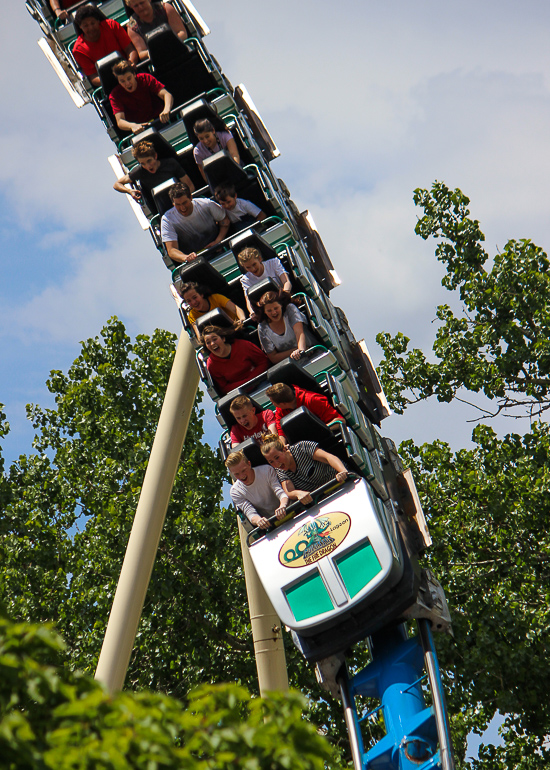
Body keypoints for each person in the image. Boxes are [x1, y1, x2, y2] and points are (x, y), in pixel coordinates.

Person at [160, 183, 230, 263]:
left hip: (218, 250)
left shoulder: (206, 204)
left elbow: (225, 221)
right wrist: (186, 257)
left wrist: (218, 240)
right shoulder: (167, 219)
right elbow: (172, 250)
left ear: (190, 198)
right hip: (196, 262)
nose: (182, 208)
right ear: (173, 203)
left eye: (184, 203)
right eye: (178, 205)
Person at [113, 140, 194, 207]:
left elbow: (190, 186)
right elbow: (117, 184)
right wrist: (129, 191)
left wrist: (183, 203)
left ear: (155, 156)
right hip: (165, 208)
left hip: (182, 202)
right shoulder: (139, 171)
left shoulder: (170, 163)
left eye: (149, 161)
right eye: (143, 163)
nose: (148, 166)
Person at [260, 434, 348, 496]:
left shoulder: (302, 448)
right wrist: (298, 494)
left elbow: (329, 457)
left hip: (341, 483)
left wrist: (342, 471)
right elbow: (289, 491)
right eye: (271, 462)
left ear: (283, 450)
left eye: (277, 457)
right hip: (323, 497)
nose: (276, 464)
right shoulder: (280, 470)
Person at [72, 6, 138, 87]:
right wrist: (116, 80)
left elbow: (130, 50)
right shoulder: (79, 50)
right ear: (80, 27)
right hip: (111, 86)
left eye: (93, 23)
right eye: (86, 26)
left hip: (130, 74)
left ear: (98, 21)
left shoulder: (111, 26)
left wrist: (131, 63)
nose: (91, 28)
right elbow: (94, 78)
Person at [226, 451, 289, 530]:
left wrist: (282, 506)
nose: (242, 476)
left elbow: (280, 491)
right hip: (271, 525)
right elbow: (249, 512)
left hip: (289, 510)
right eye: (237, 474)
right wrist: (259, 520)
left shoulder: (266, 470)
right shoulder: (235, 491)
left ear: (249, 464)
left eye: (243, 470)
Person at [108, 60, 173, 134]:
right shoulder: (115, 95)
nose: (127, 83)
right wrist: (132, 126)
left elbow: (166, 95)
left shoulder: (145, 78)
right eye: (122, 81)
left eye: (129, 78)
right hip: (139, 129)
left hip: (158, 121)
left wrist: (166, 109)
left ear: (134, 75)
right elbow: (120, 121)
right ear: (119, 82)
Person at [202, 325, 269, 395]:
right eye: (208, 342)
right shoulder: (212, 365)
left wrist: (252, 380)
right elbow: (224, 388)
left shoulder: (243, 345)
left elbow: (263, 361)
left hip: (260, 382)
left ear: (223, 339)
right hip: (240, 393)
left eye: (215, 339)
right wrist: (245, 385)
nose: (212, 343)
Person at [257, 291, 316, 364]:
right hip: (293, 364)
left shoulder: (289, 309)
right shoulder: (262, 328)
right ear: (264, 312)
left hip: (312, 352)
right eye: (269, 311)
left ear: (281, 305)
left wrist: (301, 350)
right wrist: (295, 352)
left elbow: (299, 332)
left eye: (276, 308)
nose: (274, 313)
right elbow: (273, 357)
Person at [266, 382, 344, 437]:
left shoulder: (313, 400)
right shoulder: (280, 409)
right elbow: (281, 432)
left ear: (283, 404)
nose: (273, 405)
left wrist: (319, 431)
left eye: (273, 402)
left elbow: (340, 421)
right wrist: (283, 446)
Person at [176, 282, 246, 339]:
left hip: (236, 330)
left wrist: (242, 319)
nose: (193, 302)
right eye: (189, 301)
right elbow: (199, 336)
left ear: (201, 294)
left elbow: (236, 309)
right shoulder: (192, 315)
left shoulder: (215, 298)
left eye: (195, 297)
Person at [237, 247, 292, 319]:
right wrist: (252, 312)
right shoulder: (245, 280)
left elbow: (287, 282)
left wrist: (283, 296)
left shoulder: (273, 263)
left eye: (254, 264)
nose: (253, 269)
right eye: (248, 267)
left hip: (283, 301)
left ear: (259, 259)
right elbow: (248, 300)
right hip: (267, 312)